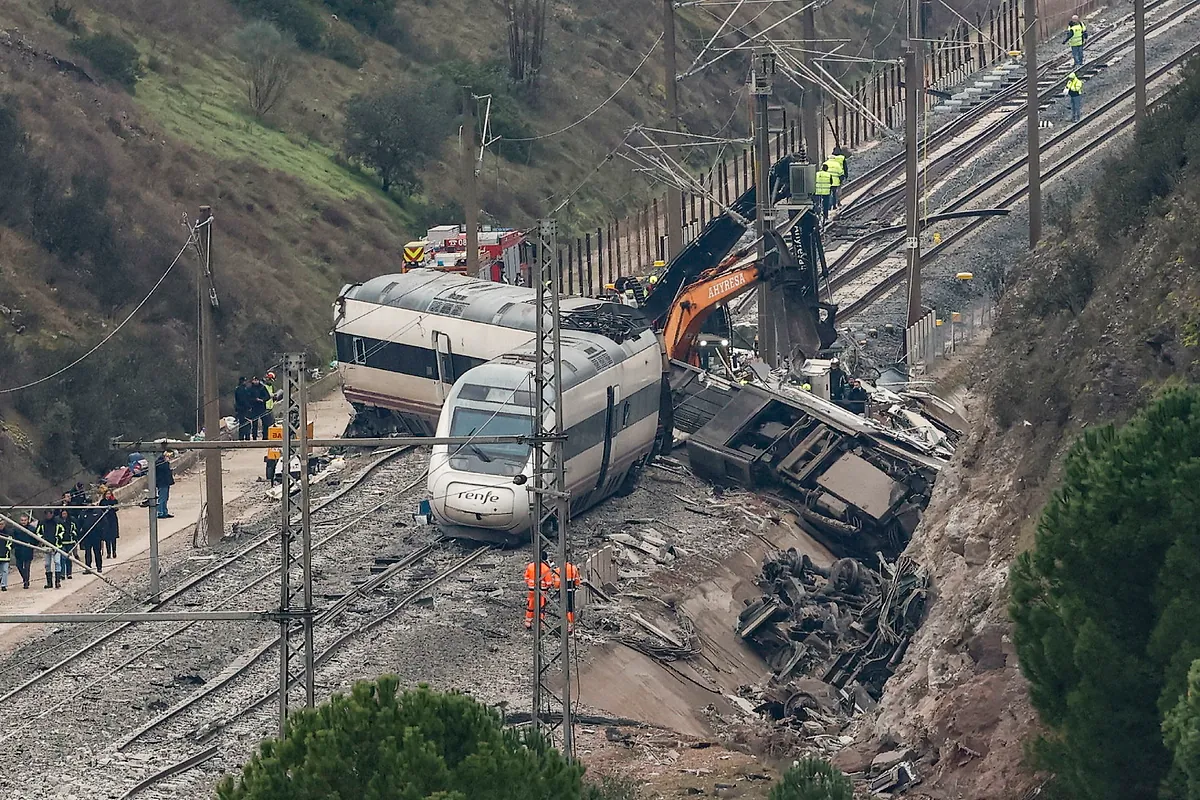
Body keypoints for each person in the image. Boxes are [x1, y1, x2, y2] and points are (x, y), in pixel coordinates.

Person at [553, 561, 582, 634]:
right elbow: (577, 580)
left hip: (563, 592)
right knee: (571, 608)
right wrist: (577, 586)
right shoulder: (573, 568)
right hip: (571, 591)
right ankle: (570, 624)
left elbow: (557, 582)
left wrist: (556, 589)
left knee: (564, 607)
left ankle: (566, 623)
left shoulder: (559, 569)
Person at [524, 560, 553, 630]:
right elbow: (549, 582)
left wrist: (531, 584)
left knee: (531, 605)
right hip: (542, 591)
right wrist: (548, 586)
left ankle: (528, 623)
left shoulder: (530, 566)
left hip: (532, 589)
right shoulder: (546, 568)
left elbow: (526, 578)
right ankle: (540, 624)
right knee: (541, 607)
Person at [11, 512, 37, 589]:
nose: (23, 522)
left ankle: (26, 582)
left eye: (25, 520)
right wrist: (14, 546)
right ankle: (25, 578)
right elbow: (13, 538)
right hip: (19, 550)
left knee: (27, 567)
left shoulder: (32, 529)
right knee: (19, 566)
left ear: (28, 520)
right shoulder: (16, 529)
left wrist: (32, 544)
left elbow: (35, 539)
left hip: (28, 551)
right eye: (22, 520)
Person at [80, 498, 104, 574]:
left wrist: (102, 534)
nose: (86, 506)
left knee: (97, 552)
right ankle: (88, 568)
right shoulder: (83, 513)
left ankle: (99, 567)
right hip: (87, 536)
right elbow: (80, 524)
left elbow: (104, 523)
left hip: (96, 535)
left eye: (87, 504)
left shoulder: (98, 511)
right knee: (87, 552)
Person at [37, 510, 58, 588]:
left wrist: (57, 540)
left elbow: (61, 532)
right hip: (46, 546)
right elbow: (38, 533)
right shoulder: (42, 523)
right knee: (47, 564)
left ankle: (57, 581)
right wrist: (42, 539)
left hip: (56, 546)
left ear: (52, 514)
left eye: (49, 514)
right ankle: (49, 583)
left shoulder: (57, 522)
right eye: (47, 514)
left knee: (57, 562)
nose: (48, 516)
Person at [55, 507, 77, 582]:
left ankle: (69, 573)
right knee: (62, 558)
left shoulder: (71, 522)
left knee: (69, 558)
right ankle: (62, 574)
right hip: (62, 543)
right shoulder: (58, 522)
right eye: (63, 513)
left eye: (65, 513)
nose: (64, 515)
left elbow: (75, 530)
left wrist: (74, 536)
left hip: (70, 542)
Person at [99, 488, 120, 559]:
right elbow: (100, 509)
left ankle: (114, 551)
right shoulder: (102, 501)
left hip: (113, 519)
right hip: (105, 520)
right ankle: (108, 552)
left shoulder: (114, 500)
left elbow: (117, 508)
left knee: (113, 537)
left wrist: (113, 507)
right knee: (107, 537)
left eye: (109, 494)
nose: (108, 495)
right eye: (107, 494)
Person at [155, 452, 175, 519]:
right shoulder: (159, 462)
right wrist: (166, 461)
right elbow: (163, 468)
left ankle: (164, 512)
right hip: (162, 482)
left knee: (165, 498)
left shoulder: (162, 462)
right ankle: (160, 512)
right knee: (162, 498)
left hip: (165, 482)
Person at [234, 376, 253, 441]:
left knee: (243, 424)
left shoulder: (241, 389)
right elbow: (243, 400)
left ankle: (242, 437)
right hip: (243, 409)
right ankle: (245, 438)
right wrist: (249, 407)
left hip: (241, 409)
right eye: (244, 381)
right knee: (245, 424)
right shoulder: (241, 389)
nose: (245, 382)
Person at [261, 371, 278, 436]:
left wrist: (274, 397)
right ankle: (265, 436)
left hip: (270, 407)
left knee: (271, 423)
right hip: (265, 408)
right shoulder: (263, 386)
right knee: (266, 424)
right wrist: (270, 396)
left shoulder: (271, 386)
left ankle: (268, 435)